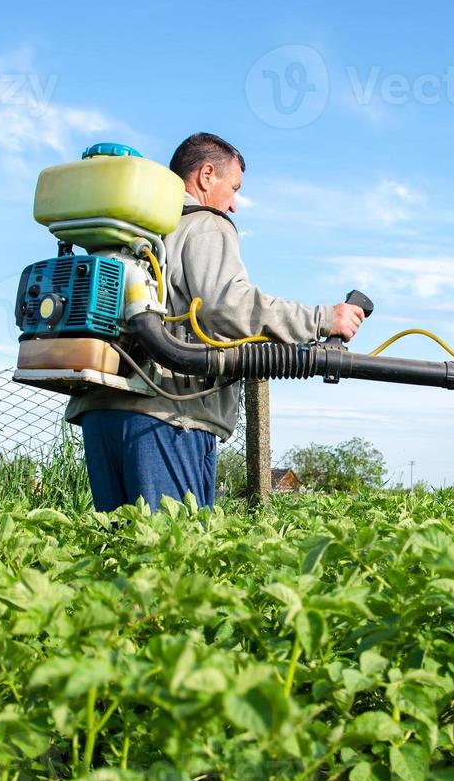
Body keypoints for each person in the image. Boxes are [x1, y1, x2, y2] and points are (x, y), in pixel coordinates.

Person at [65, 132, 367, 513]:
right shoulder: (205, 223)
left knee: (115, 553)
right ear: (207, 175)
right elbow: (227, 305)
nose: (234, 205)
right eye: (234, 187)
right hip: (168, 415)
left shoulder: (133, 229)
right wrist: (323, 319)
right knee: (174, 557)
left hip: (101, 410)